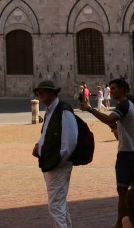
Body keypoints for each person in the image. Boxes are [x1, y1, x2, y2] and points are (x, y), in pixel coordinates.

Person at [82, 78, 134, 228]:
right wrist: (115, 127)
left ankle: (120, 224)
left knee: (122, 191)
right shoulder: (132, 107)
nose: (111, 91)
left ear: (122, 89)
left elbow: (109, 118)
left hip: (126, 155)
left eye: (114, 88)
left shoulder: (123, 105)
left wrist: (90, 110)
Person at [32, 78, 78, 228]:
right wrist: (39, 147)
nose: (40, 93)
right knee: (60, 205)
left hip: (58, 165)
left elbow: (69, 142)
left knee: (55, 206)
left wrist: (56, 161)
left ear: (52, 93)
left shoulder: (63, 110)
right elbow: (47, 135)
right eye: (38, 92)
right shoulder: (49, 112)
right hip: (51, 164)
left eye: (43, 91)